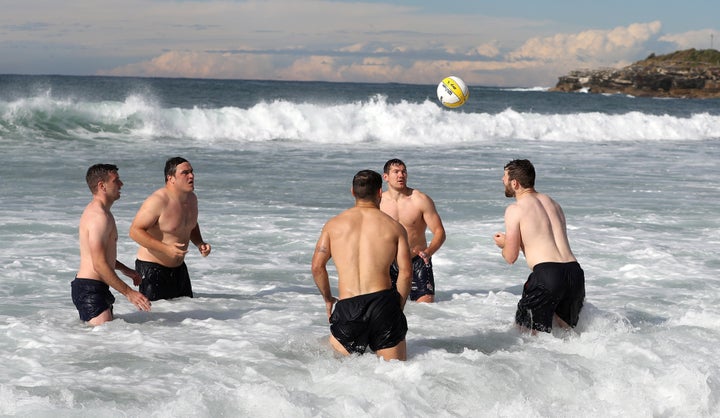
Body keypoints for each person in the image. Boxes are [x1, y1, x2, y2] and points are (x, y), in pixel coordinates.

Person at [311, 170, 412, 361]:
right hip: (384, 303)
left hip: (349, 306)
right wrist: (396, 308)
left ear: (352, 191)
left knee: (339, 375)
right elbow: (406, 273)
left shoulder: (333, 225)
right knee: (397, 375)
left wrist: (327, 299)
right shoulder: (394, 227)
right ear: (380, 193)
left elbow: (317, 267)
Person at [493, 159, 585, 334]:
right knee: (567, 337)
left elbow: (510, 257)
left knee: (526, 337)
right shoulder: (554, 204)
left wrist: (504, 245)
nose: (502, 180)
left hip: (547, 276)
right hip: (574, 274)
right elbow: (542, 241)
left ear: (515, 183)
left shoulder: (516, 209)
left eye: (504, 177)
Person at [73, 164, 151, 326]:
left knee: (106, 339)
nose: (121, 184)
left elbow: (101, 256)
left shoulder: (103, 213)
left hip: (95, 287)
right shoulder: (98, 217)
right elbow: (99, 264)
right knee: (101, 341)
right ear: (102, 186)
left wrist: (125, 269)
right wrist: (129, 293)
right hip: (90, 290)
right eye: (116, 181)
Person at [129, 157, 211, 301]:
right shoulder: (158, 201)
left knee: (189, 317)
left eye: (192, 172)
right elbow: (135, 231)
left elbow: (189, 224)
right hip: (153, 269)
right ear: (171, 178)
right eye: (185, 173)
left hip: (179, 269)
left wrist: (199, 243)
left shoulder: (191, 199)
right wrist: (165, 248)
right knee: (157, 320)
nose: (191, 176)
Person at [380, 159, 446, 303]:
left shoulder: (420, 200)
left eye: (403, 171)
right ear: (385, 177)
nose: (401, 175)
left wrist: (428, 252)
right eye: (396, 172)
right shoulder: (378, 202)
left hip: (417, 261)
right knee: (386, 309)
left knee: (425, 310)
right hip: (387, 262)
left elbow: (439, 232)